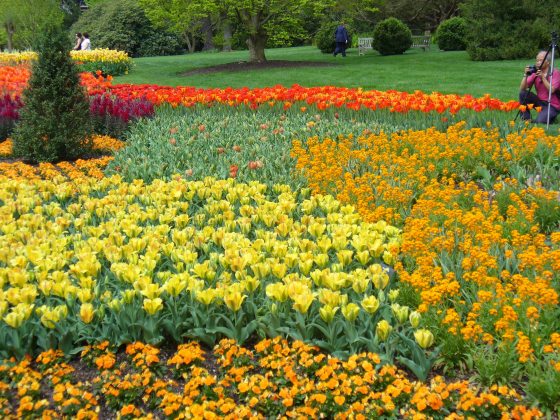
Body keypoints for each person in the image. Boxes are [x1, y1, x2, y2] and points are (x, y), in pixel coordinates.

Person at [519, 50, 560, 124]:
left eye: (540, 60)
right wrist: (525, 75)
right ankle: (525, 119)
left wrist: (543, 78)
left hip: (552, 105)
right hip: (540, 102)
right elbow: (522, 88)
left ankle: (549, 117)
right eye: (537, 60)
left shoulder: (554, 73)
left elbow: (552, 90)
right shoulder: (535, 72)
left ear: (548, 62)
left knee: (540, 122)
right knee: (523, 93)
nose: (538, 62)